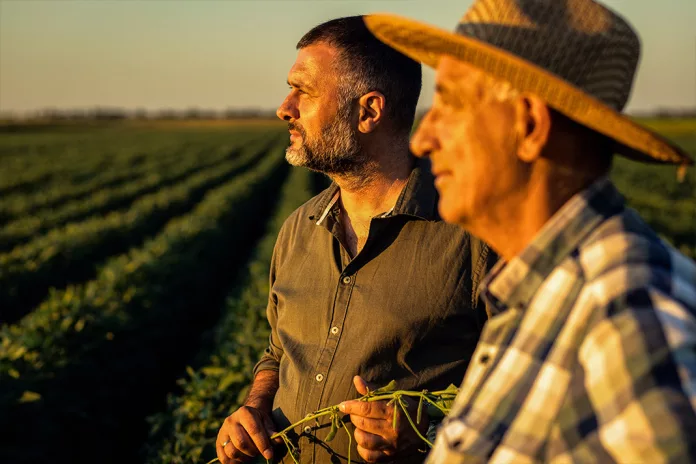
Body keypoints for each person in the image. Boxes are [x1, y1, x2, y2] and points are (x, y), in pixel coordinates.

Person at [363, 0, 696, 462]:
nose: (422, 139)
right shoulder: (536, 297)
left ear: (530, 126)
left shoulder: (627, 318)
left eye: (452, 104)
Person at [215, 16, 495, 464]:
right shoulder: (298, 229)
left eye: (303, 91)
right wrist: (255, 406)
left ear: (368, 111)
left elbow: (535, 390)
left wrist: (429, 430)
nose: (284, 107)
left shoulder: (474, 237)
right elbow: (277, 352)